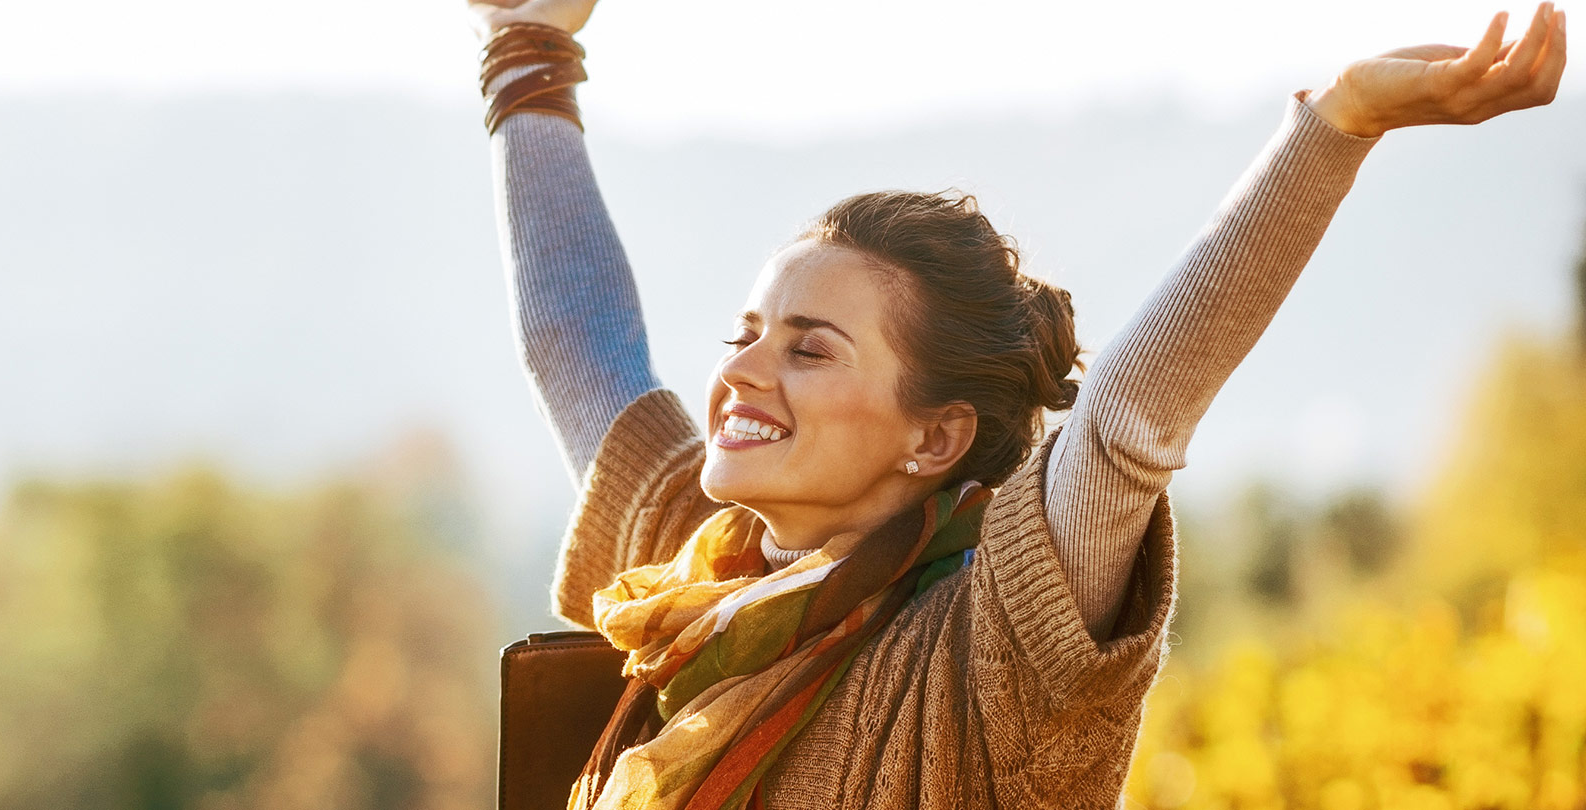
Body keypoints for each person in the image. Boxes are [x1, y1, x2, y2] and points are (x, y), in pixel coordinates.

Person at [466, 1, 1568, 808]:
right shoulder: (694, 577)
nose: (743, 375)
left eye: (811, 351)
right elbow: (578, 345)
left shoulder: (988, 658)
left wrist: (1335, 126)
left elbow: (1134, 417)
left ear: (935, 436)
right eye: (746, 336)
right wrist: (527, 53)